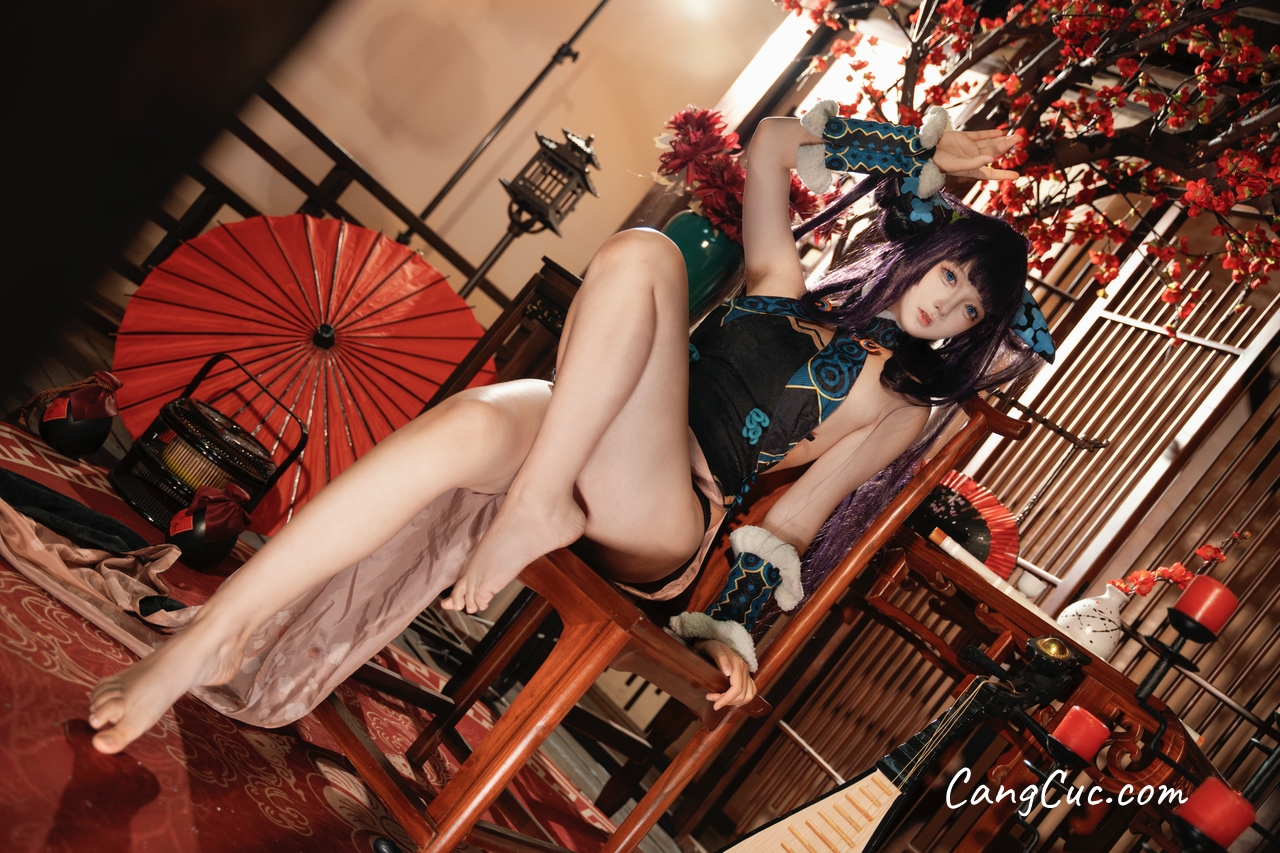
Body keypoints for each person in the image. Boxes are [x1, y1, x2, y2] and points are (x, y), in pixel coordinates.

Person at [87, 102, 1047, 755]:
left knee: (641, 265)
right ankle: (215, 635)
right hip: (588, 433)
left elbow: (793, 524)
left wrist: (734, 634)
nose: (948, 304)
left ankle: (540, 498)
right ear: (923, 253)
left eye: (972, 308)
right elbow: (771, 144)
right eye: (952, 273)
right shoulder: (780, 282)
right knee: (561, 331)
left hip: (670, 507)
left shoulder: (904, 406)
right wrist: (921, 154)